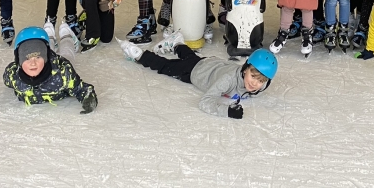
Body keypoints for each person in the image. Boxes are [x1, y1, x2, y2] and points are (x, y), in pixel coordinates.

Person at [119, 36, 278, 119]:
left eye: (261, 80)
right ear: (245, 69)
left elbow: (260, 80)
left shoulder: (259, 84)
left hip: (209, 63)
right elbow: (205, 102)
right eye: (253, 76)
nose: (255, 83)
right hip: (195, 73)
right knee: (165, 67)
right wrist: (227, 111)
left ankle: (177, 43)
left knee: (190, 56)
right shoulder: (228, 80)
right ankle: (139, 54)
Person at [3, 27, 98, 113]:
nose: (33, 63)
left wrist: (89, 100)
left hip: (57, 63)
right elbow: (6, 79)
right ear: (19, 61)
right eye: (27, 59)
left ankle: (67, 36)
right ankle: (50, 39)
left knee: (67, 53)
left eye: (38, 57)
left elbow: (81, 89)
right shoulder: (13, 75)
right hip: (45, 56)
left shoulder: (63, 73)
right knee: (46, 49)